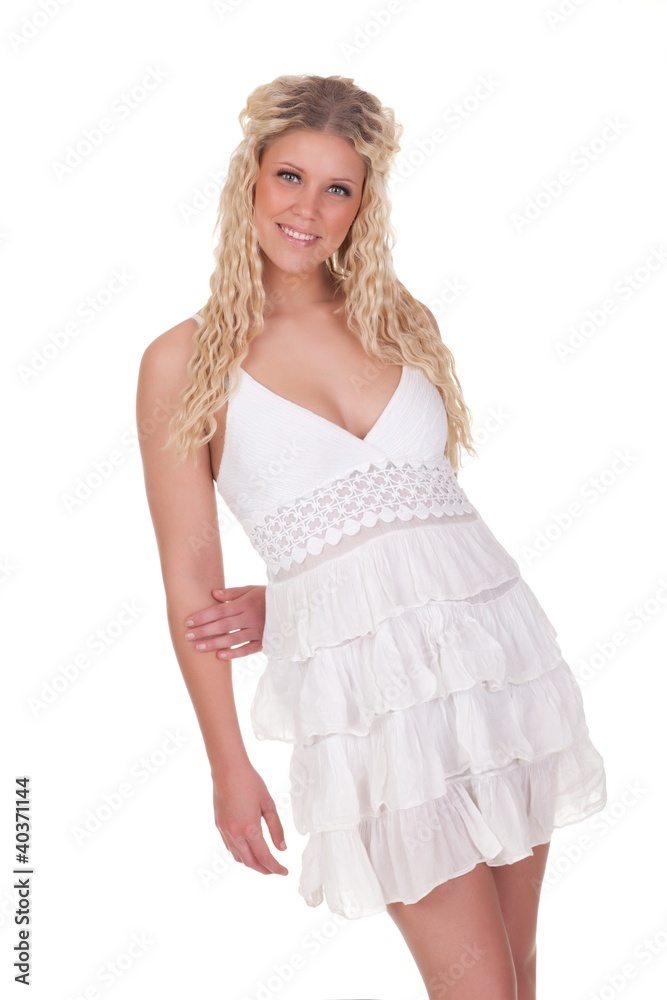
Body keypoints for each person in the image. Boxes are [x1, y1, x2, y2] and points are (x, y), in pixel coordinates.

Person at [136, 73, 607, 1000]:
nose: (307, 209)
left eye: (337, 188)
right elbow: (192, 588)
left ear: (363, 204)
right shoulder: (183, 362)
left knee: (518, 984)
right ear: (249, 178)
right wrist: (229, 766)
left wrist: (291, 601)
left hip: (498, 671)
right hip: (373, 717)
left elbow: (416, 517)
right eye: (289, 177)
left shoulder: (400, 320)